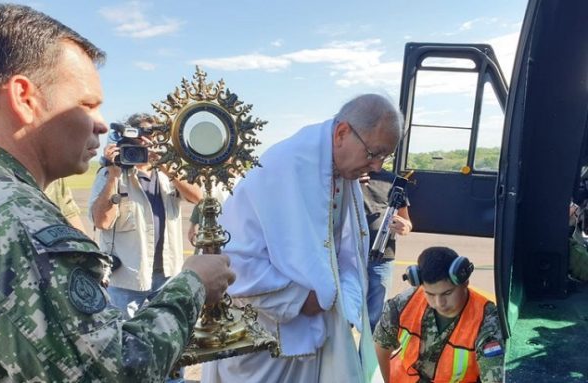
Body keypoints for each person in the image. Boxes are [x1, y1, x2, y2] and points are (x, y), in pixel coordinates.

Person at [0, 4, 234, 381]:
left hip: (161, 276)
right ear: (25, 97)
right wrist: (195, 282)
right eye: (86, 104)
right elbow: (115, 369)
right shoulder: (17, 216)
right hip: (132, 283)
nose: (101, 125)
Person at [202, 94, 403, 383]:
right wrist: (297, 299)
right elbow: (234, 263)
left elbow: (344, 251)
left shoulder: (340, 172)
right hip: (264, 342)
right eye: (374, 153)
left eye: (385, 156)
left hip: (313, 335)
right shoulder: (283, 168)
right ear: (342, 133)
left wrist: (338, 299)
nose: (377, 166)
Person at [89, 113, 202, 318]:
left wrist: (168, 168)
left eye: (153, 138)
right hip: (127, 280)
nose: (147, 144)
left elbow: (197, 197)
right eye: (140, 138)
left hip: (167, 275)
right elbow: (102, 222)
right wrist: (113, 176)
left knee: (166, 335)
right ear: (127, 140)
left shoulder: (167, 175)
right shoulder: (111, 175)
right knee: (124, 338)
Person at [374, 247, 504, 383]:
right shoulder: (403, 304)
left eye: (447, 293)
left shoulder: (487, 320)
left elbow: (494, 377)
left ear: (465, 282)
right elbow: (380, 349)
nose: (439, 303)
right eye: (429, 294)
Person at [361, 169, 413, 331]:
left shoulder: (393, 182)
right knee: (341, 317)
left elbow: (407, 222)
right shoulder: (343, 176)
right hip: (345, 257)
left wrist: (405, 227)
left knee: (375, 317)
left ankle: (366, 357)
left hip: (382, 258)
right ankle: (342, 356)